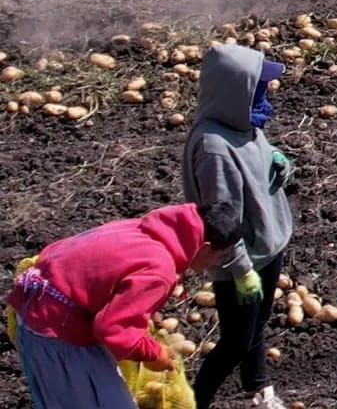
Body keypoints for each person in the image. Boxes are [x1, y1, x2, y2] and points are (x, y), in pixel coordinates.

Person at [6, 204, 227, 409]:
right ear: (205, 247)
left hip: (35, 312)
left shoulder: (140, 229)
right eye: (221, 256)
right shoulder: (160, 270)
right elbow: (112, 329)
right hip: (56, 335)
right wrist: (154, 354)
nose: (219, 263)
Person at [183, 43, 296, 409]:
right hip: (241, 259)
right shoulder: (213, 148)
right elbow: (221, 221)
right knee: (235, 342)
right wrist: (240, 269)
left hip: (268, 243)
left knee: (258, 325)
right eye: (258, 86)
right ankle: (193, 402)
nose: (266, 94)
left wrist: (277, 160)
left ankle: (259, 389)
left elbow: (259, 156)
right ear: (237, 88)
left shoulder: (245, 121)